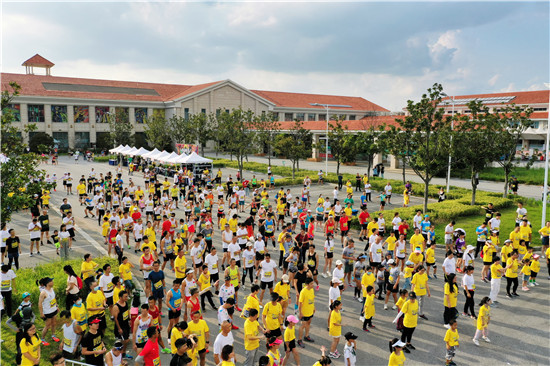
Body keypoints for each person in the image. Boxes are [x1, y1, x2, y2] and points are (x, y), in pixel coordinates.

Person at [38, 277, 59, 345]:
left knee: (54, 324)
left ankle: (53, 335)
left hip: (54, 310)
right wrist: (41, 313)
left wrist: (56, 306)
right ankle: (42, 339)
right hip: (48, 312)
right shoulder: (43, 293)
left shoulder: (52, 289)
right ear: (47, 283)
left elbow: (54, 298)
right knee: (47, 326)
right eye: (51, 281)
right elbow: (40, 303)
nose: (52, 282)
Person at [111, 290, 131, 357]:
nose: (126, 298)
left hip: (126, 324)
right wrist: (119, 328)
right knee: (124, 340)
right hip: (120, 326)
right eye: (125, 297)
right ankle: (119, 354)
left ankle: (123, 353)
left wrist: (129, 319)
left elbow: (127, 311)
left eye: (127, 296)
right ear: (120, 297)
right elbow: (115, 319)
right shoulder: (116, 307)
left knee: (126, 340)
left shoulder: (126, 302)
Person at [297, 278, 315, 348]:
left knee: (309, 323)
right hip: (304, 312)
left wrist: (314, 307)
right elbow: (300, 303)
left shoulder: (312, 290)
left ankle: (306, 336)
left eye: (313, 283)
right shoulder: (303, 292)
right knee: (302, 326)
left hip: (310, 311)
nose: (312, 285)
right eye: (311, 284)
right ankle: (299, 340)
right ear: (307, 284)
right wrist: (300, 312)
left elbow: (312, 299)